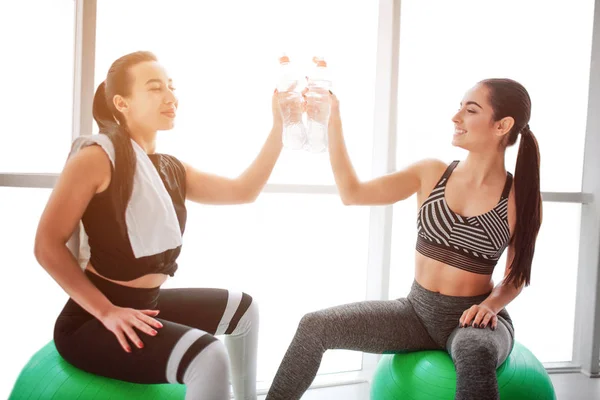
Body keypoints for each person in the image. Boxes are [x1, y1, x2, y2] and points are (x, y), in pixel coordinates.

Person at [266, 78, 542, 400]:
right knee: (314, 326)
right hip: (416, 311)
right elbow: (353, 194)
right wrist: (333, 121)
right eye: (460, 108)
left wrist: (490, 306)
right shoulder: (431, 173)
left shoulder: (518, 199)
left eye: (470, 110)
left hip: (474, 318)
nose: (456, 117)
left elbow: (516, 275)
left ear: (502, 125)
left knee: (473, 350)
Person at [34, 51, 286, 400]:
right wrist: (107, 311)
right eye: (155, 88)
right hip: (92, 321)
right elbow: (46, 244)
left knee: (244, 309)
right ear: (121, 103)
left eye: (171, 87)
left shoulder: (172, 168)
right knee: (208, 355)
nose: (171, 97)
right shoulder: (96, 158)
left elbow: (244, 191)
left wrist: (279, 128)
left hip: (144, 304)